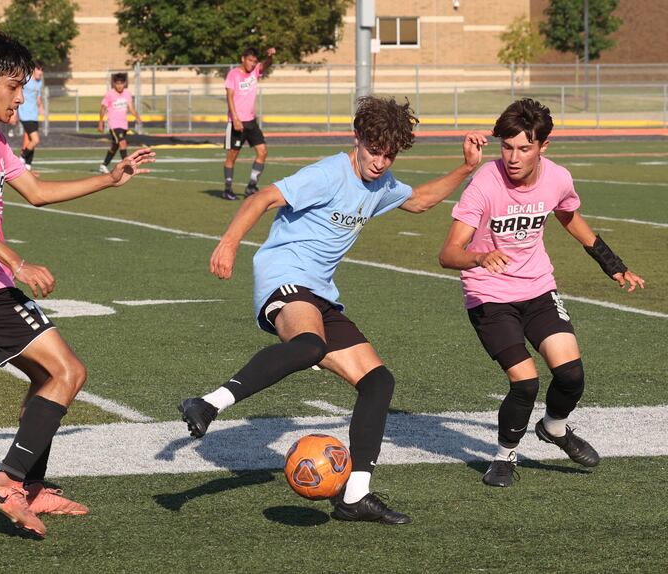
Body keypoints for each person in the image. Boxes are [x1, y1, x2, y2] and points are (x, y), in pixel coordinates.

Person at [179, 96, 487, 524]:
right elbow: (264, 198)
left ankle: (355, 495)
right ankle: (208, 403)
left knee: (378, 381)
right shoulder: (328, 174)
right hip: (284, 274)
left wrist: (467, 168)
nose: (380, 162)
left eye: (389, 155)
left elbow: (418, 201)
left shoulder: (381, 182)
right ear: (357, 138)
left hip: (320, 291)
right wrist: (229, 243)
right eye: (374, 151)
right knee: (308, 345)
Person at [0, 29, 155, 537]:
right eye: (13, 86)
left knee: (47, 378)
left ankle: (31, 487)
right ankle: (7, 481)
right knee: (69, 372)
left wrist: (109, 179)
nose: (21, 96)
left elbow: (34, 191)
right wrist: (16, 263)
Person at [438, 98, 645, 488]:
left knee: (571, 375)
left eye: (524, 148)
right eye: (507, 147)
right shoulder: (483, 183)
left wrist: (612, 264)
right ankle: (504, 457)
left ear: (542, 147)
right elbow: (448, 254)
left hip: (537, 288)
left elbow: (570, 217)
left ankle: (554, 427)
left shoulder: (558, 178)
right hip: (489, 296)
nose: (513, 158)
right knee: (526, 382)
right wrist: (480, 258)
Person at [222, 46, 275, 201]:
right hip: (236, 123)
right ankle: (227, 189)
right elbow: (230, 97)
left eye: (254, 61)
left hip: (251, 122)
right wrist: (236, 119)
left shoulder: (255, 72)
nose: (252, 64)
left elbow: (267, 64)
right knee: (232, 155)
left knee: (263, 151)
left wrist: (270, 56)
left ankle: (251, 186)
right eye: (250, 60)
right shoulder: (233, 75)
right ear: (243, 59)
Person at [98, 72, 139, 174]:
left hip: (123, 124)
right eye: (117, 83)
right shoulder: (110, 94)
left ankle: (103, 165)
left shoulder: (127, 93)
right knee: (123, 142)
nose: (119, 86)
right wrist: (100, 122)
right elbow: (103, 108)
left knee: (115, 146)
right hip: (114, 124)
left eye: (121, 83)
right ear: (114, 84)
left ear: (124, 83)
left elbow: (131, 107)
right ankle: (126, 166)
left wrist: (137, 116)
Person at [18, 61, 45, 171]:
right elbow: (17, 93)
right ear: (34, 69)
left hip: (34, 115)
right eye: (39, 69)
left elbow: (38, 98)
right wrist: (14, 112)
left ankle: (28, 166)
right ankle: (21, 158)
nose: (41, 72)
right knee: (36, 140)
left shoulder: (39, 83)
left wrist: (41, 107)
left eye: (43, 70)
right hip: (25, 115)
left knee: (31, 141)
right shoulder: (25, 80)